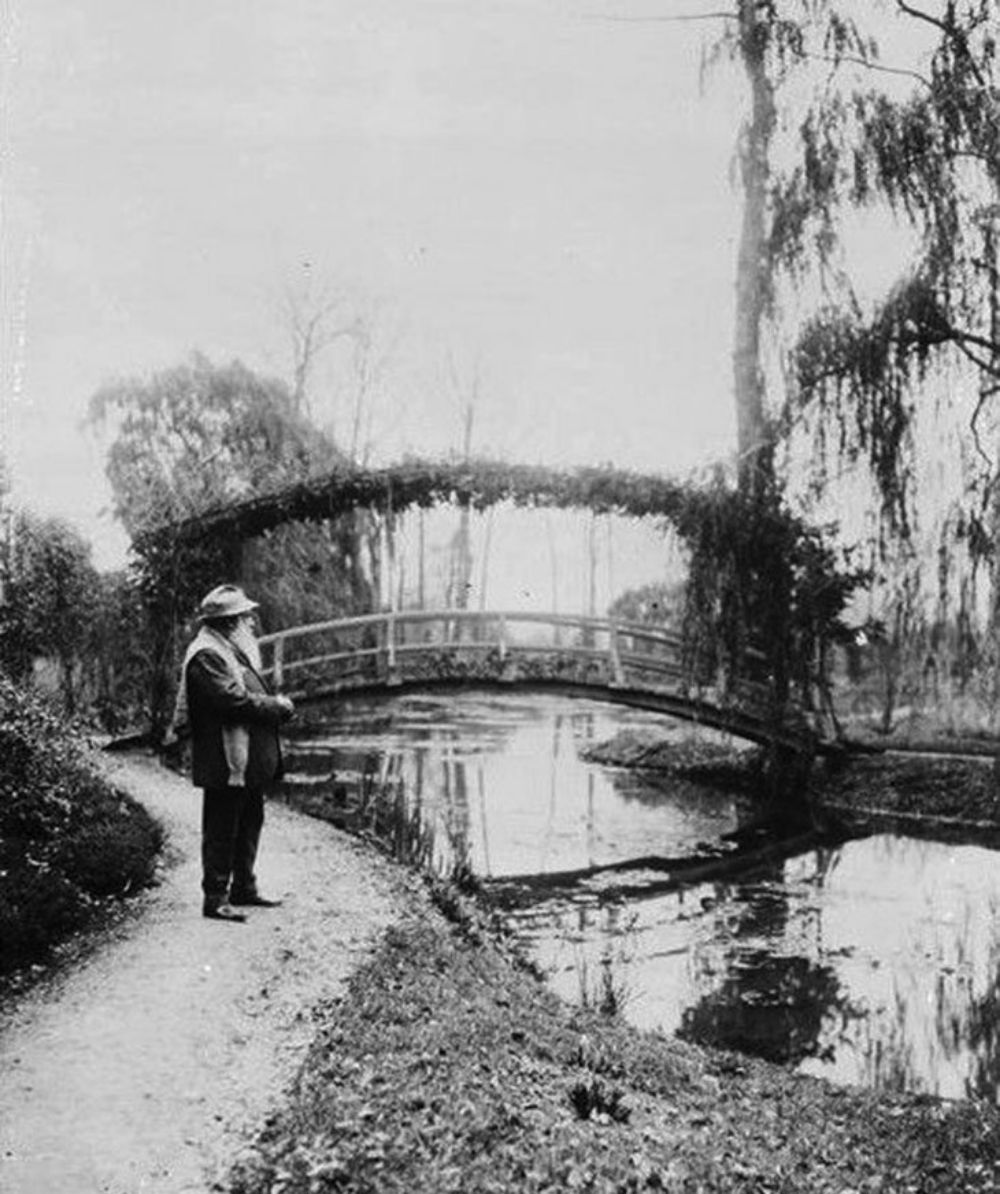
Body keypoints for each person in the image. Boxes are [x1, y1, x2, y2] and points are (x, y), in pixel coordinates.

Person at [169, 584, 295, 922]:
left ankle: (244, 887)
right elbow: (230, 701)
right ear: (228, 622)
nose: (251, 623)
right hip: (226, 758)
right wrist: (275, 705)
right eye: (245, 617)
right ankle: (216, 897)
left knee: (250, 819)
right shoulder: (207, 654)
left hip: (243, 757)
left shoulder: (227, 648)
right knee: (223, 825)